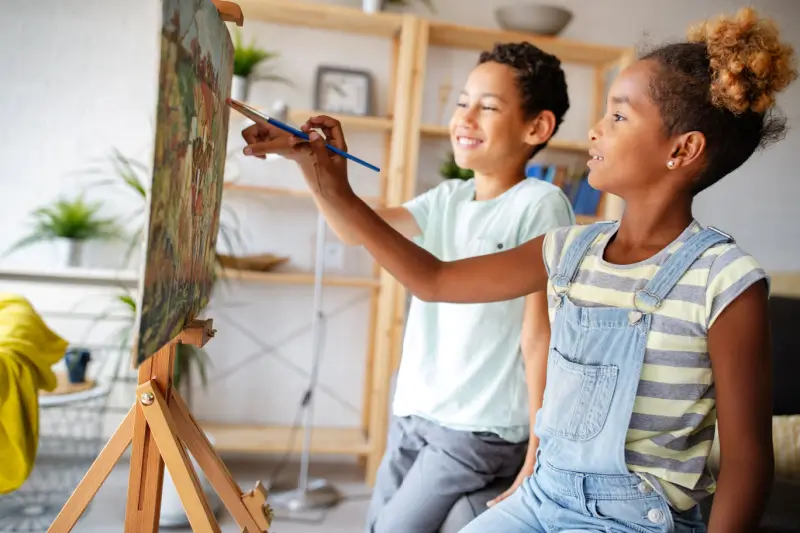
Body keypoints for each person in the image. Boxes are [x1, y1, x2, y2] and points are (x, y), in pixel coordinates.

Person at [241, 7, 797, 532]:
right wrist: (330, 182)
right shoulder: (569, 250)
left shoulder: (725, 281)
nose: (595, 130)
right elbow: (434, 280)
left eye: (618, 116)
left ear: (683, 150)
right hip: (544, 495)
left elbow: (748, 462)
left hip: (630, 516)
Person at [244, 42, 575, 532]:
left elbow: (539, 337)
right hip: (414, 412)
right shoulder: (449, 197)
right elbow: (353, 230)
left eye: (487, 107)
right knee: (377, 523)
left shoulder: (541, 204)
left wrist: (537, 455)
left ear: (537, 128)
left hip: (478, 429)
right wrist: (309, 167)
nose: (465, 118)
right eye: (462, 102)